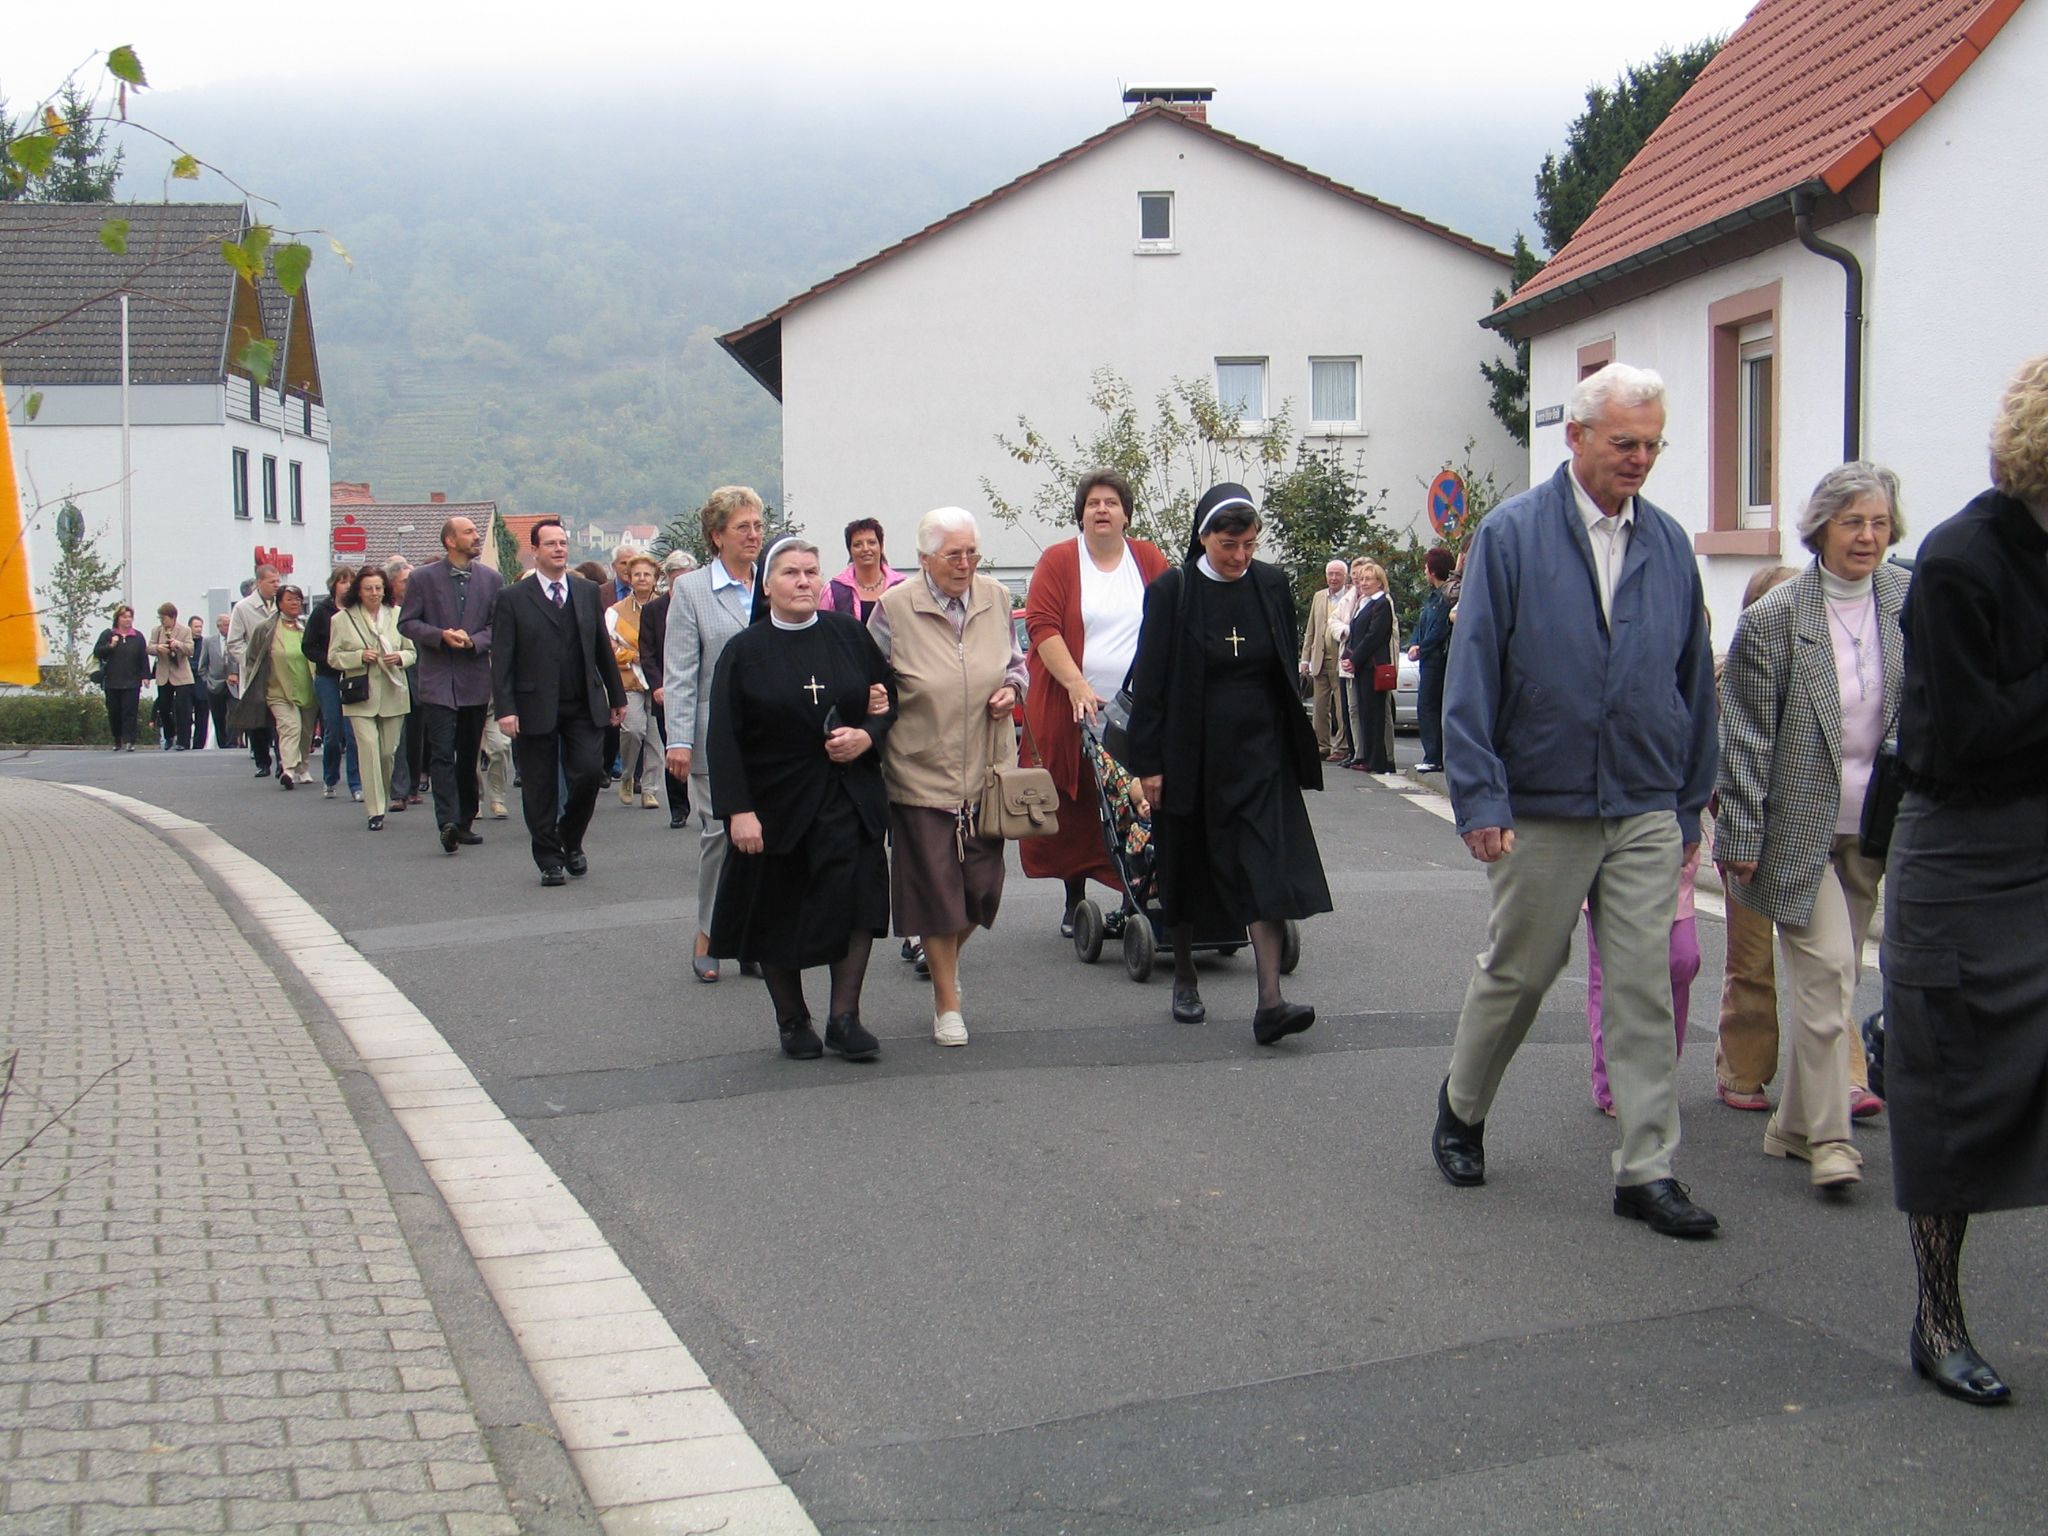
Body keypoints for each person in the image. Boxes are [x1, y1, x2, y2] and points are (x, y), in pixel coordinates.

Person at [1434, 362, 1719, 1239]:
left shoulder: (1667, 543)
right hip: (1545, 802)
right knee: (1521, 972)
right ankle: (1463, 1106)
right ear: (1578, 438)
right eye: (1624, 442)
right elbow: (1472, 670)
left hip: (1640, 799)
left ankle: (1646, 1168)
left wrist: (1689, 803)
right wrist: (1479, 798)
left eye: (1651, 444)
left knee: (1642, 986)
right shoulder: (1513, 535)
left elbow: (1692, 678)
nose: (1639, 459)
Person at [1883, 355, 2048, 1407]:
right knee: (1949, 1080)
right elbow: (1975, 726)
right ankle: (1935, 1316)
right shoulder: (1957, 559)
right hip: (1961, 851)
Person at [1718, 463, 1909, 1193]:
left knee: (1831, 981)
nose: (1867, 536)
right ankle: (1830, 1141)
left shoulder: (1908, 599)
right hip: (1796, 831)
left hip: (1874, 826)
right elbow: (1746, 739)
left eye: (1879, 522)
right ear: (1820, 528)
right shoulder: (1778, 617)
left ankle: (1792, 1125)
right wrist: (1739, 838)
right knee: (1829, 969)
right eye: (1852, 522)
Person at [1126, 482, 1331, 1043]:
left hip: (1259, 753)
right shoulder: (1175, 590)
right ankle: (1186, 973)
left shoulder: (1270, 584)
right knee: (1186, 863)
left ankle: (1270, 1002)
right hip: (1191, 752)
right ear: (1204, 539)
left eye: (1248, 543)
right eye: (1228, 544)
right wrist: (1150, 766)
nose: (1240, 556)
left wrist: (1294, 748)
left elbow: (1283, 667)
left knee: (1265, 863)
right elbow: (1151, 683)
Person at [707, 536, 896, 1061]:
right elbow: (723, 738)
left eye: (811, 572)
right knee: (777, 911)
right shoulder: (744, 652)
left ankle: (845, 1017)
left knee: (857, 902)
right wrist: (737, 812)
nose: (804, 581)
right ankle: (793, 1021)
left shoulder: (849, 635)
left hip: (847, 796)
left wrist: (867, 735)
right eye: (790, 573)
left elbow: (887, 698)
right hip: (774, 806)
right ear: (766, 586)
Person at [869, 506, 1027, 1047]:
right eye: (954, 555)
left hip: (987, 769)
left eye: (972, 553)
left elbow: (1015, 661)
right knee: (937, 894)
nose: (966, 564)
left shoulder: (996, 597)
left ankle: (942, 962)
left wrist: (1013, 687)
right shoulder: (894, 609)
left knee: (982, 894)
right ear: (924, 559)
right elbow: (872, 681)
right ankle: (947, 1001)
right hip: (921, 769)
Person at [1021, 469, 1171, 933]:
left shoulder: (1147, 557)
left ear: (1126, 513)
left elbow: (1169, 619)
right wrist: (1076, 685)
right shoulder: (1060, 560)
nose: (1102, 509)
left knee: (1140, 796)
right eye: (1093, 503)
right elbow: (1042, 626)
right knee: (1079, 800)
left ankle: (1143, 887)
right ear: (1081, 514)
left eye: (1111, 502)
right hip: (1075, 704)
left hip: (1136, 708)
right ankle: (1075, 898)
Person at [664, 487, 768, 977]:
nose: (754, 535)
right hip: (712, 735)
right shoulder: (691, 590)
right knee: (720, 837)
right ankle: (708, 931)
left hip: (770, 736)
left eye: (758, 526)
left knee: (764, 837)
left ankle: (752, 936)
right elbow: (681, 671)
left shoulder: (771, 584)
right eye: (743, 527)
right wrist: (678, 740)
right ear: (716, 536)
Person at [492, 518, 627, 885]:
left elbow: (601, 645)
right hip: (534, 704)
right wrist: (505, 708)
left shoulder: (586, 592)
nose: (559, 549)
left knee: (587, 774)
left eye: (563, 543)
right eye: (550, 543)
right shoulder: (512, 598)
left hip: (583, 701)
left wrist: (616, 695)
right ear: (534, 550)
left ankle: (570, 838)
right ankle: (549, 858)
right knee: (540, 785)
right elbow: (502, 657)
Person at [1712, 563, 1799, 1111]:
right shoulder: (1730, 678)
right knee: (1751, 959)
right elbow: (1722, 763)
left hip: (1813, 837)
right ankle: (1742, 1071)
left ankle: (1845, 1075)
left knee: (1826, 965)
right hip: (1747, 833)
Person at [400, 515, 504, 853]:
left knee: (468, 753)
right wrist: (439, 635)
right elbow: (408, 623)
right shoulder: (422, 579)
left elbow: (497, 626)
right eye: (469, 532)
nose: (476, 537)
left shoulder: (491, 579)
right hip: (438, 680)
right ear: (449, 541)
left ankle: (466, 820)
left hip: (474, 679)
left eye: (476, 531)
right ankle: (447, 820)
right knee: (442, 753)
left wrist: (475, 641)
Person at [327, 566, 417, 831]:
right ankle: (375, 810)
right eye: (368, 588)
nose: (374, 593)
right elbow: (333, 657)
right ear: (359, 591)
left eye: (378, 588)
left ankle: (384, 792)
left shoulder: (398, 615)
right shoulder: (342, 620)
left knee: (388, 751)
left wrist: (400, 657)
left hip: (393, 690)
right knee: (368, 747)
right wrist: (358, 656)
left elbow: (412, 652)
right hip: (360, 693)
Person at [638, 551, 697, 828]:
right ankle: (679, 806)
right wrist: (657, 685)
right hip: (667, 691)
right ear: (669, 581)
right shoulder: (653, 610)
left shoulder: (702, 604)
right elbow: (647, 653)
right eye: (677, 580)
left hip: (700, 688)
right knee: (674, 747)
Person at [605, 551, 665, 809]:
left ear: (655, 579)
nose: (642, 578)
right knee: (633, 730)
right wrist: (634, 655)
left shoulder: (666, 606)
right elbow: (608, 647)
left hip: (660, 679)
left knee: (656, 738)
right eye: (637, 574)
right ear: (629, 578)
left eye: (647, 574)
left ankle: (650, 789)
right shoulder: (615, 612)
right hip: (629, 679)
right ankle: (628, 775)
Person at [302, 567, 365, 802]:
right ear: (334, 585)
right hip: (328, 676)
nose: (347, 585)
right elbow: (308, 646)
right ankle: (330, 778)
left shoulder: (357, 612)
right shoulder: (321, 612)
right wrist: (328, 659)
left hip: (353, 675)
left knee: (353, 730)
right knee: (333, 729)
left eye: (351, 581)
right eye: (342, 581)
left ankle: (356, 783)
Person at [252, 585, 318, 787]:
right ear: (279, 603)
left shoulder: (305, 626)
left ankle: (303, 767)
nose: (294, 603)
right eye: (289, 599)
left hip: (307, 686)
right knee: (290, 727)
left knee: (306, 730)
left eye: (297, 599)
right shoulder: (267, 628)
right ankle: (287, 769)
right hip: (278, 689)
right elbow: (254, 656)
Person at [1342, 558, 1396, 772]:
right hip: (1362, 666)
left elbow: (1374, 636)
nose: (1363, 583)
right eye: (1361, 579)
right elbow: (1355, 633)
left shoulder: (1382, 603)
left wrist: (1355, 659)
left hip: (1373, 666)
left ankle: (1378, 760)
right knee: (1364, 712)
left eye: (1368, 579)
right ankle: (1367, 757)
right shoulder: (1363, 603)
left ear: (1379, 582)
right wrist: (1349, 656)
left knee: (1375, 715)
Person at [226, 566, 281, 776]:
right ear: (259, 583)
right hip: (255, 670)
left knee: (280, 716)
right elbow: (234, 641)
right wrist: (249, 660)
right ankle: (262, 761)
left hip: (278, 667)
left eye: (278, 581)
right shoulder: (243, 608)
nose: (276, 585)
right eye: (271, 582)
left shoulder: (282, 604)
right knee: (257, 716)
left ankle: (283, 763)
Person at [383, 558, 427, 809]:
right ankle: (398, 792)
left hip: (420, 677)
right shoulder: (387, 612)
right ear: (392, 584)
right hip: (395, 678)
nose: (410, 585)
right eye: (405, 581)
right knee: (398, 736)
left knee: (416, 734)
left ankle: (412, 785)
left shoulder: (422, 606)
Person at [1299, 559, 1353, 763]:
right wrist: (1305, 659)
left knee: (1341, 708)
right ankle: (1322, 746)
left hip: (1341, 659)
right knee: (1320, 707)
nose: (1333, 578)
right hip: (1320, 658)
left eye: (1338, 574)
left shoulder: (1351, 596)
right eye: (1330, 573)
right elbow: (1310, 630)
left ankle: (1342, 746)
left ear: (1345, 576)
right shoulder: (1319, 597)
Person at [1407, 547, 1454, 772]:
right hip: (1427, 658)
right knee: (1427, 706)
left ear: (1433, 570)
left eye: (1426, 567)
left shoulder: (1445, 597)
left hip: (1437, 658)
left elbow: (1439, 630)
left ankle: (1434, 756)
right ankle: (1433, 755)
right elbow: (1421, 625)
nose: (1425, 571)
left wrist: (1421, 648)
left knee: (1428, 706)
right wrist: (1413, 643)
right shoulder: (1432, 596)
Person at [822, 517, 905, 622]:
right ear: (850, 550)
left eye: (871, 542)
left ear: (881, 546)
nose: (865, 549)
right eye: (858, 545)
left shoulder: (901, 586)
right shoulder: (833, 590)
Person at [91, 605, 149, 751]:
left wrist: (145, 676)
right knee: (114, 711)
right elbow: (98, 652)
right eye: (124, 617)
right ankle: (117, 738)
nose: (128, 620)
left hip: (132, 681)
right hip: (112, 681)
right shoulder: (108, 634)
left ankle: (130, 740)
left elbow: (143, 657)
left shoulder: (138, 636)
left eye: (130, 617)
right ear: (118, 618)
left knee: (130, 712)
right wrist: (111, 646)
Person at [148, 602, 194, 750]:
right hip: (164, 673)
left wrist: (178, 644)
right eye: (160, 618)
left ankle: (183, 741)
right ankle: (169, 735)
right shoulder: (157, 631)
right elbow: (149, 647)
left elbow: (190, 650)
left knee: (182, 709)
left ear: (173, 617)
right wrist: (157, 648)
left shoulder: (185, 630)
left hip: (181, 674)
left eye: (165, 618)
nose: (162, 621)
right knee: (164, 706)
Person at [203, 613, 238, 749]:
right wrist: (208, 680)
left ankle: (232, 742)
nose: (229, 627)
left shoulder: (237, 640)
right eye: (226, 624)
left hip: (234, 684)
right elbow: (203, 665)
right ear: (219, 626)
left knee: (234, 713)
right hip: (215, 684)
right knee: (218, 715)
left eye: (230, 624)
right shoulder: (209, 642)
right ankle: (222, 743)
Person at [184, 616, 212, 751]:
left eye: (201, 626)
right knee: (186, 715)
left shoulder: (205, 643)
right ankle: (184, 742)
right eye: (196, 626)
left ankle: (199, 745)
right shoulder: (185, 643)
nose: (199, 629)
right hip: (187, 684)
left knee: (202, 717)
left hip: (201, 685)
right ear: (189, 627)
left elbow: (206, 663)